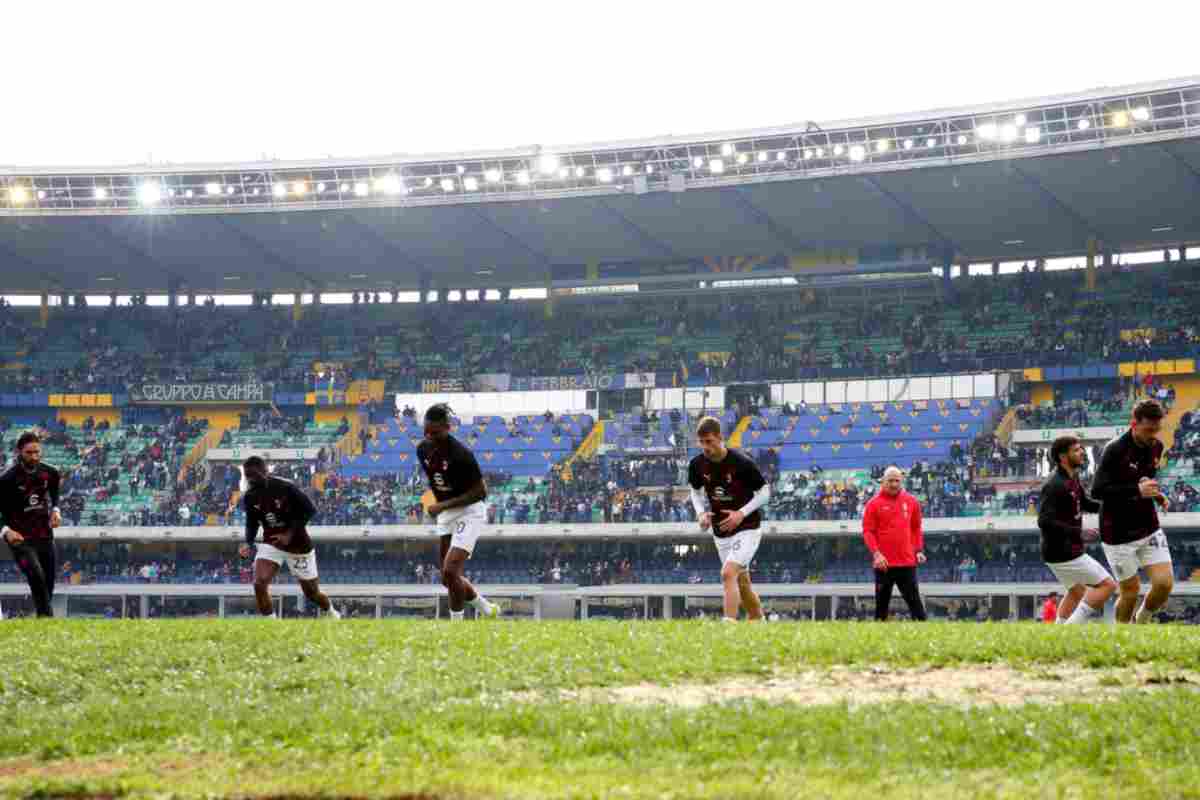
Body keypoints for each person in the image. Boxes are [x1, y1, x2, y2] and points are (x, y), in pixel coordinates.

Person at [1091, 400, 1173, 624]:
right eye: (1148, 430)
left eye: (1157, 429)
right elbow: (1097, 491)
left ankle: (1142, 621)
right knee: (1130, 591)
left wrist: (1156, 495)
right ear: (1134, 424)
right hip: (1117, 533)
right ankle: (1123, 635)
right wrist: (1136, 490)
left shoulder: (1156, 447)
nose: (1153, 435)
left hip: (1148, 526)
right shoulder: (1114, 449)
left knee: (1164, 584)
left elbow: (1144, 479)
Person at [418, 404, 499, 620]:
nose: (429, 437)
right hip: (446, 513)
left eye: (435, 432)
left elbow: (481, 492)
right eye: (426, 431)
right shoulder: (422, 449)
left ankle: (456, 627)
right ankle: (487, 608)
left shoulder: (462, 454)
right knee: (448, 579)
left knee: (451, 571)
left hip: (469, 511)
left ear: (448, 428)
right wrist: (441, 505)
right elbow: (438, 480)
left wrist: (442, 505)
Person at [687, 416, 769, 623]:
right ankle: (758, 620)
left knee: (728, 573)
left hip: (747, 527)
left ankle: (729, 627)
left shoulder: (741, 462)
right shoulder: (696, 465)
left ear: (720, 437)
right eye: (701, 442)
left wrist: (741, 513)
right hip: (721, 533)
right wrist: (700, 513)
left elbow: (765, 492)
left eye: (709, 441)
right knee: (742, 583)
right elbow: (695, 491)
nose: (705, 447)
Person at [238, 456, 340, 619]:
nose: (251, 479)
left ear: (265, 471)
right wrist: (248, 543)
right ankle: (270, 625)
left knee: (312, 593)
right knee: (259, 582)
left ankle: (332, 613)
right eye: (247, 476)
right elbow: (252, 522)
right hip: (272, 543)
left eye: (254, 475)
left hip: (298, 545)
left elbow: (310, 510)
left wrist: (289, 534)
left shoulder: (286, 487)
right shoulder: (249, 496)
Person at [1037, 436, 1117, 624]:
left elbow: (1085, 503)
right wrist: (1078, 533)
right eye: (1076, 450)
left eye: (1081, 448)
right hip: (1063, 551)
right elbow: (1044, 521)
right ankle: (1071, 629)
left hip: (1060, 550)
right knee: (1108, 585)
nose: (1082, 452)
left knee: (1076, 591)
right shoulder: (1054, 485)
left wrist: (1112, 508)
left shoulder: (1072, 477)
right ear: (1063, 457)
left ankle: (1059, 632)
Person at [0, 432, 63, 617]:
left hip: (44, 534)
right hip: (20, 538)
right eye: (29, 453)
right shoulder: (7, 479)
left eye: (37, 452)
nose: (34, 456)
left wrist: (56, 510)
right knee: (36, 575)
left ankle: (41, 619)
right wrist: (5, 530)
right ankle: (47, 620)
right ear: (19, 452)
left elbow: (55, 493)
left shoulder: (50, 472)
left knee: (48, 581)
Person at [861, 466, 927, 621]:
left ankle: (925, 633)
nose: (894, 484)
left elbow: (916, 528)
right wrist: (876, 554)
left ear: (901, 481)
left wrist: (918, 550)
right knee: (881, 609)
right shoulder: (873, 504)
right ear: (883, 481)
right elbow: (868, 532)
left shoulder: (911, 502)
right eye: (890, 481)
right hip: (883, 564)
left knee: (917, 608)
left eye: (897, 481)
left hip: (907, 563)